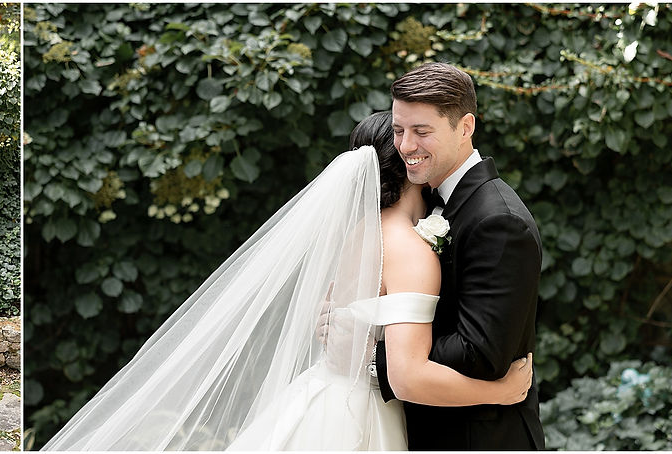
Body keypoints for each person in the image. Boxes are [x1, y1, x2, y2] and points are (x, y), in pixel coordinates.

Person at [41, 111, 532, 451]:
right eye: (407, 143)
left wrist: (352, 339)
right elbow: (405, 372)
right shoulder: (408, 246)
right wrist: (501, 392)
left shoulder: (356, 233)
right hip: (360, 414)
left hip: (321, 394)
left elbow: (343, 331)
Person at [374, 62, 545, 449]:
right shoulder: (429, 201)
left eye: (422, 131)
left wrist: (378, 351)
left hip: (479, 437)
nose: (405, 146)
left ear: (465, 127)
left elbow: (480, 352)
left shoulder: (498, 220)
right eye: (399, 131)